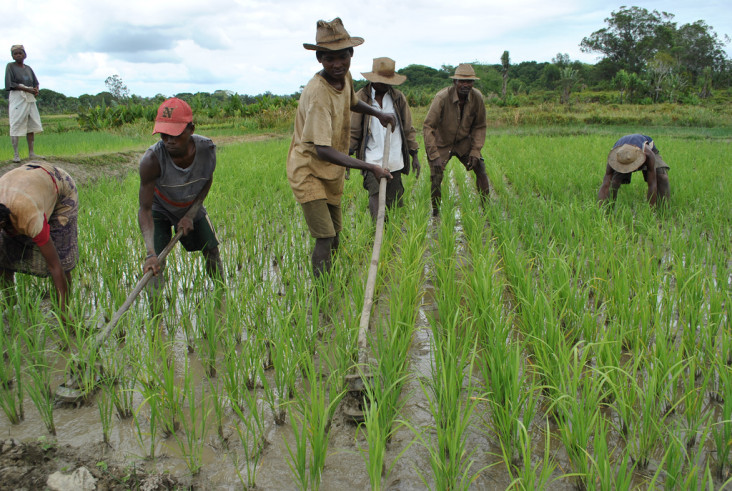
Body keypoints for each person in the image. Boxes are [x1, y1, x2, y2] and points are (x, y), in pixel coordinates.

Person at [287, 18, 396, 279]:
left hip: (330, 173)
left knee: (335, 236)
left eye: (342, 57)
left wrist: (378, 113)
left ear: (351, 54)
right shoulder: (318, 94)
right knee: (325, 237)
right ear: (320, 59)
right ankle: (322, 295)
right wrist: (370, 166)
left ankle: (331, 282)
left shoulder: (343, 77)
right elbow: (323, 150)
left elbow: (353, 102)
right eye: (329, 58)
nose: (337, 64)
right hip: (309, 172)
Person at [138, 97, 223, 307]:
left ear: (191, 129)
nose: (169, 140)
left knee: (211, 249)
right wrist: (150, 253)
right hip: (160, 209)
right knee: (156, 264)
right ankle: (155, 313)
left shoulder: (207, 150)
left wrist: (190, 214)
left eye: (175, 134)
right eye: (164, 134)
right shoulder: (152, 160)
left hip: (190, 205)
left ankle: (222, 297)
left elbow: (207, 179)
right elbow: (145, 209)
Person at [0, 163, 77, 322]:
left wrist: (63, 312)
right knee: (5, 253)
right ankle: (10, 301)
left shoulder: (28, 216)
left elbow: (54, 265)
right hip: (25, 183)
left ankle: (64, 310)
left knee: (62, 257)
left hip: (60, 186)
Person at [350, 57, 420, 221]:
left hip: (394, 157)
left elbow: (408, 128)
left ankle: (392, 238)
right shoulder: (361, 98)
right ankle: (378, 232)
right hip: (372, 159)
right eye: (381, 80)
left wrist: (414, 154)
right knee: (375, 195)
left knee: (395, 201)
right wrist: (348, 154)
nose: (384, 84)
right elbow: (353, 130)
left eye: (388, 81)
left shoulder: (398, 98)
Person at [423, 63, 489, 216]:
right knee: (436, 176)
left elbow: (480, 126)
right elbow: (428, 127)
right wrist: (434, 156)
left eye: (469, 81)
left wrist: (475, 150)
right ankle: (436, 211)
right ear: (455, 82)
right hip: (442, 143)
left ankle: (487, 208)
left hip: (463, 142)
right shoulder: (442, 98)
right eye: (462, 81)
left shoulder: (477, 98)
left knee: (480, 168)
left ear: (473, 83)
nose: (465, 85)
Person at [598, 134, 670, 207]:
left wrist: (650, 211)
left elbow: (652, 183)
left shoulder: (648, 154)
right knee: (614, 182)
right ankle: (609, 207)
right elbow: (605, 185)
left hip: (645, 150)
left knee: (662, 177)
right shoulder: (614, 157)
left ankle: (663, 208)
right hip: (623, 155)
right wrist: (600, 208)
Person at [5, 45, 43, 163]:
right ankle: (16, 154)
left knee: (31, 123)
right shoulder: (10, 66)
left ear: (24, 54)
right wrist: (27, 90)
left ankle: (31, 153)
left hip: (30, 96)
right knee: (16, 123)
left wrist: (35, 90)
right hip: (18, 96)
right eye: (15, 54)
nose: (18, 55)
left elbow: (36, 83)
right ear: (12, 56)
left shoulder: (28, 68)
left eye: (20, 53)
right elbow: (10, 84)